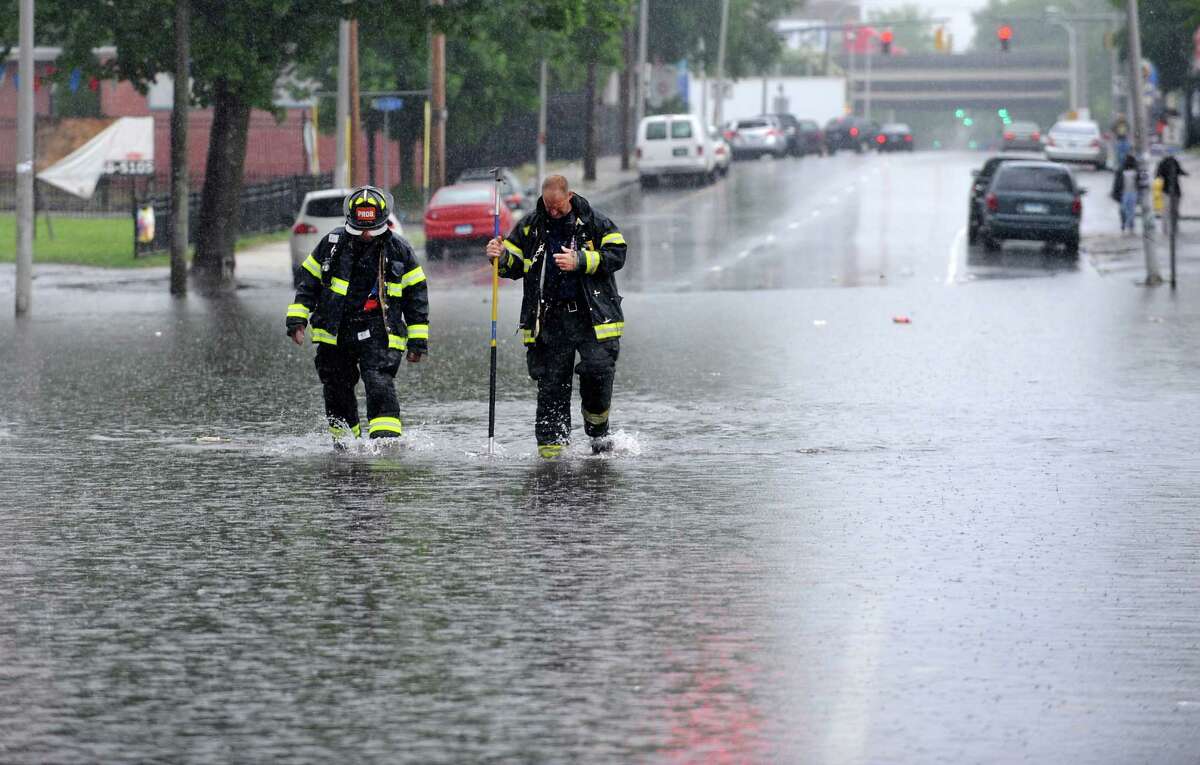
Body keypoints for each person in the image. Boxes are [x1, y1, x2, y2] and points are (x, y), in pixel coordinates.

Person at [485, 175, 627, 459]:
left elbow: (618, 254)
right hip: (550, 320)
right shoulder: (530, 226)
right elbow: (513, 266)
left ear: (570, 197)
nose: (553, 212)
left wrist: (581, 261)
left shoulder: (595, 222)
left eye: (558, 207)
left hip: (592, 318)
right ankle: (551, 458)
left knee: (598, 372)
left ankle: (598, 434)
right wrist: (497, 256)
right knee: (551, 386)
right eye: (548, 207)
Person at [285, 185, 429, 447]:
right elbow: (308, 284)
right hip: (335, 330)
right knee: (336, 388)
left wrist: (417, 342)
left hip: (380, 330)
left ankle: (385, 448)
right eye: (360, 228)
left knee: (379, 383)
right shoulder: (331, 245)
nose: (365, 234)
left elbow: (416, 298)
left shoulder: (400, 250)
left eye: (370, 229)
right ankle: (345, 447)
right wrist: (297, 320)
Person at [1111, 153, 1141, 234]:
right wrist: (1115, 193)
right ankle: (1125, 224)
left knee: (1130, 210)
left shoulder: (1136, 170)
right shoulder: (1121, 170)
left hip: (1132, 193)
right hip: (1124, 193)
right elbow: (1117, 183)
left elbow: (1140, 182)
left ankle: (1130, 225)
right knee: (1124, 209)